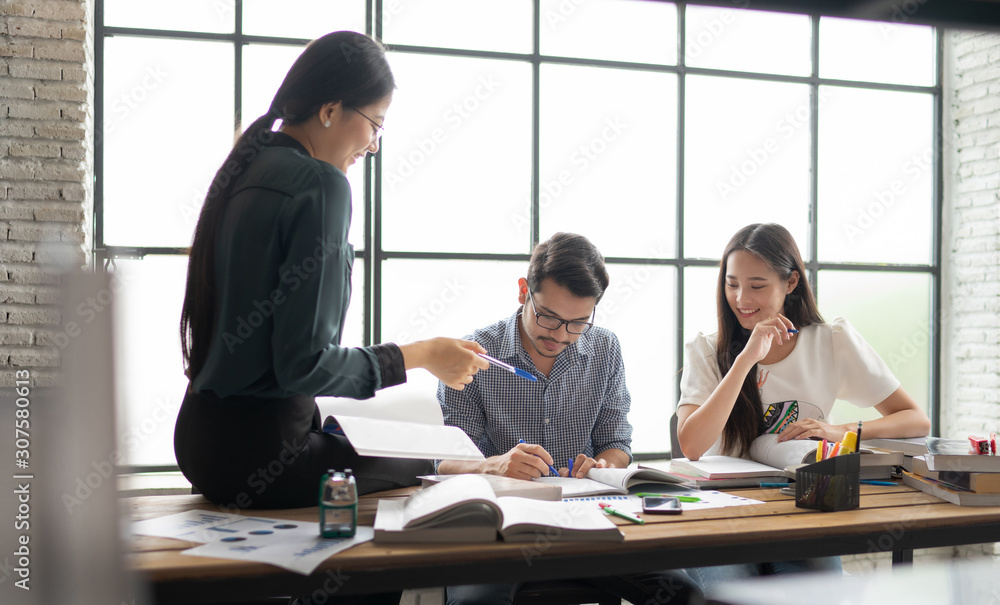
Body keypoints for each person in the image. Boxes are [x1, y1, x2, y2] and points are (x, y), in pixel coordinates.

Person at [175, 31, 489, 514]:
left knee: (373, 446)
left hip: (199, 443)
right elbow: (302, 364)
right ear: (330, 110)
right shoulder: (321, 185)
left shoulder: (248, 166)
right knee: (432, 460)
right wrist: (423, 354)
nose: (374, 144)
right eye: (375, 124)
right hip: (268, 456)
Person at [437, 232, 701, 605]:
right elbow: (444, 460)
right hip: (500, 528)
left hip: (586, 522)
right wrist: (495, 466)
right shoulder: (476, 354)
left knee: (684, 595)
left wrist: (603, 464)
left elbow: (617, 442)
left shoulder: (605, 348)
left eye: (578, 322)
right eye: (548, 317)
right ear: (522, 291)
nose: (560, 336)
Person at [676, 222, 931, 589]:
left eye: (757, 286)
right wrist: (746, 359)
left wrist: (840, 430)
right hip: (723, 510)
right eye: (732, 284)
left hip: (804, 507)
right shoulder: (706, 349)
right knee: (732, 589)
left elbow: (914, 419)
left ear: (791, 282)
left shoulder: (832, 341)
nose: (742, 299)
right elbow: (692, 445)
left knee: (817, 591)